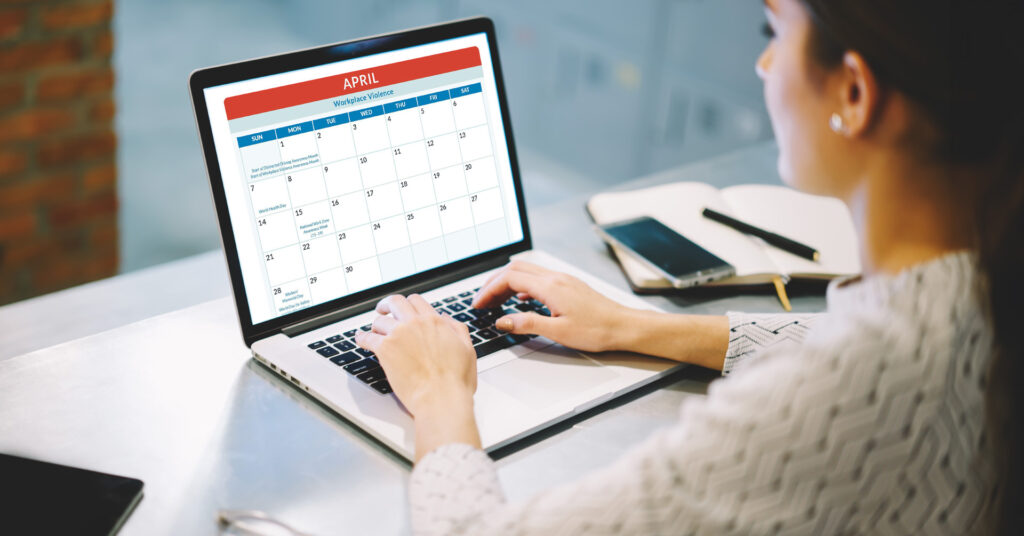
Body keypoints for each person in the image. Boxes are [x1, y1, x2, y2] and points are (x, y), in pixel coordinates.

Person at [354, 0, 1023, 533]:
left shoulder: (831, 394)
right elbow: (827, 344)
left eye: (774, 30)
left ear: (855, 91)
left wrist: (440, 389)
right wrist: (635, 327)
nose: (763, 65)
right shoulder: (973, 283)